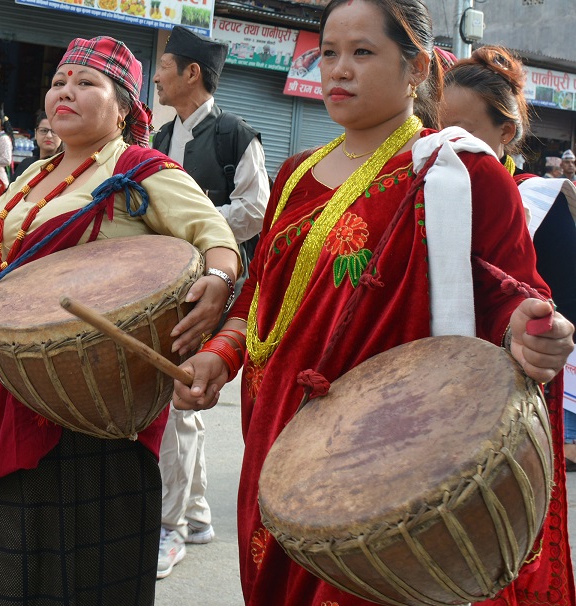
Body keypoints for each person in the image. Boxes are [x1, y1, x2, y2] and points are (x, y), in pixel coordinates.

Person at [171, 0, 576, 604]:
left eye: (363, 52)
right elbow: (265, 295)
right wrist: (222, 354)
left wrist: (524, 328)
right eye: (328, 53)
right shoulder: (294, 174)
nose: (338, 69)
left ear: (415, 68)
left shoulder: (460, 173)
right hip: (276, 438)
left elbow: (507, 296)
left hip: (386, 456)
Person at [0, 35, 240, 605]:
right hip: (16, 383)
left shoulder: (145, 171)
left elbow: (217, 237)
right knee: (2, 549)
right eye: (60, 81)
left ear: (125, 105)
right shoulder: (33, 177)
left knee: (82, 564)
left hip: (98, 399)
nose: (66, 91)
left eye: (87, 83)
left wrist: (220, 277)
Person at [441, 43, 576, 603]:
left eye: (468, 133)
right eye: (441, 130)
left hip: (511, 392)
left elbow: (555, 310)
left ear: (507, 134)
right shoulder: (421, 189)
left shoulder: (545, 205)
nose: (453, 146)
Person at [150, 25, 269, 579]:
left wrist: (195, 230)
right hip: (160, 287)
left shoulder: (236, 135)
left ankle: (168, 527)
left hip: (213, 286)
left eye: (164, 65)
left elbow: (256, 209)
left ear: (191, 73)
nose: (156, 76)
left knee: (178, 401)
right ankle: (195, 515)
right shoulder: (154, 139)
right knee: (179, 401)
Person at [11, 110, 64, 179]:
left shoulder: (66, 169)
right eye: (44, 130)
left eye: (54, 131)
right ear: (35, 133)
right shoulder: (26, 165)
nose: (49, 135)